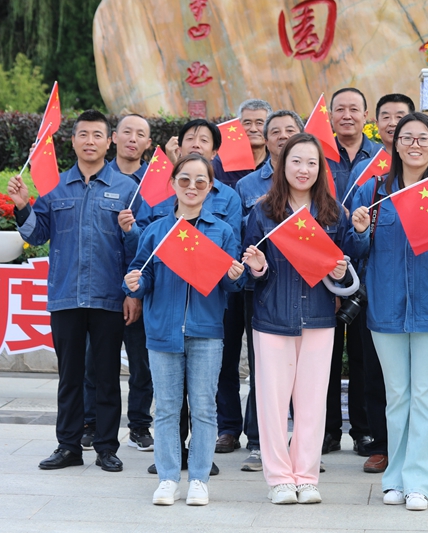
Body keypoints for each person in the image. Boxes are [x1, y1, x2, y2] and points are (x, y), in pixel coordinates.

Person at [350, 112, 428, 511]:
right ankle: (395, 478)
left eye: (423, 138)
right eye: (407, 138)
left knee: (422, 395)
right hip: (385, 308)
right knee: (397, 396)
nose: (415, 144)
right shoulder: (373, 192)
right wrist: (359, 230)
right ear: (395, 145)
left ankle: (419, 482)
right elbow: (354, 251)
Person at [7, 110, 141, 473]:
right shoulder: (55, 187)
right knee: (69, 376)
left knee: (107, 376)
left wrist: (133, 292)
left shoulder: (127, 189)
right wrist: (23, 206)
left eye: (98, 135)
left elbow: (138, 248)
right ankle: (68, 446)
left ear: (109, 141)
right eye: (83, 134)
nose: (90, 142)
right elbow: (37, 234)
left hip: (109, 297)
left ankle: (106, 447)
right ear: (73, 140)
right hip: (66, 295)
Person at [123, 153, 247, 506]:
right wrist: (133, 282)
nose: (192, 187)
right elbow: (142, 275)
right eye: (185, 180)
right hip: (163, 332)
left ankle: (199, 480)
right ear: (173, 183)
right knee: (165, 408)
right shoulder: (156, 231)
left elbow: (231, 285)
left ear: (210, 187)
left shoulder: (221, 231)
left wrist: (234, 276)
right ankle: (167, 478)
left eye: (200, 181)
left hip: (206, 331)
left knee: (204, 408)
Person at [242, 133, 359, 505]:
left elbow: (346, 267)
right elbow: (248, 274)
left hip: (319, 317)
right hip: (272, 318)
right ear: (282, 165)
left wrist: (339, 271)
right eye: (296, 161)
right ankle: (279, 478)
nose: (303, 169)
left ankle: (306, 477)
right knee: (272, 403)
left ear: (321, 168)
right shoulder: (263, 212)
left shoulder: (333, 213)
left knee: (312, 402)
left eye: (311, 162)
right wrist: (257, 267)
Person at [342, 93, 415, 475]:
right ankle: (382, 445)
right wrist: (357, 232)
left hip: (420, 291)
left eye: (401, 117)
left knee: (417, 378)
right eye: (386, 116)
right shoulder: (369, 180)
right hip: (377, 289)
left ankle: (415, 449)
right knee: (374, 371)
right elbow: (354, 240)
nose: (393, 123)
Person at [231, 108, 304, 472]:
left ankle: (302, 446)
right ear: (265, 138)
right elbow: (239, 237)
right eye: (275, 131)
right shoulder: (246, 186)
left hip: (305, 288)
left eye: (290, 130)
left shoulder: (314, 180)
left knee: (303, 372)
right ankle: (260, 442)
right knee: (266, 369)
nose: (282, 136)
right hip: (261, 287)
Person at [83, 113, 155, 453]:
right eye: (127, 131)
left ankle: (139, 425)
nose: (132, 138)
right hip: (100, 288)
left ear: (148, 144)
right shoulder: (97, 178)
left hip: (139, 287)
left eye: (140, 134)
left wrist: (135, 291)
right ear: (114, 137)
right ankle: (91, 423)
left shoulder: (155, 184)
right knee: (94, 362)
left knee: (142, 363)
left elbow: (154, 242)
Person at [324, 87, 382, 457]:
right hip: (323, 269)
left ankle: (364, 431)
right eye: (340, 109)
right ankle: (327, 430)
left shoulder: (380, 159)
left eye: (354, 109)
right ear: (330, 116)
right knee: (325, 356)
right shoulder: (317, 155)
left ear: (365, 116)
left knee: (364, 356)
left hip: (366, 269)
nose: (347, 115)